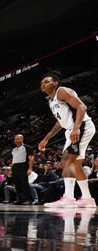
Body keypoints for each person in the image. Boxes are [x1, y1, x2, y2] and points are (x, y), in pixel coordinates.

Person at [38, 73, 97, 208]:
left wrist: (76, 128)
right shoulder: (50, 101)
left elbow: (82, 107)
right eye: (41, 83)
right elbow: (60, 123)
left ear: (55, 83)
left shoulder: (62, 91)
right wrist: (46, 139)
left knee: (66, 161)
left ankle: (69, 198)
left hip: (81, 126)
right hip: (71, 129)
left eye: (46, 82)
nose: (43, 85)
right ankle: (88, 199)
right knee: (76, 165)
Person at [10, 134, 35, 205]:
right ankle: (20, 199)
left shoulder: (27, 147)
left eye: (18, 139)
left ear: (22, 139)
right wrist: (11, 170)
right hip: (15, 167)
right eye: (15, 139)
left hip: (23, 166)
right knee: (17, 184)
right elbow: (13, 160)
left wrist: (30, 168)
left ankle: (28, 199)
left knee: (24, 183)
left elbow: (31, 158)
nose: (16, 140)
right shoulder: (14, 149)